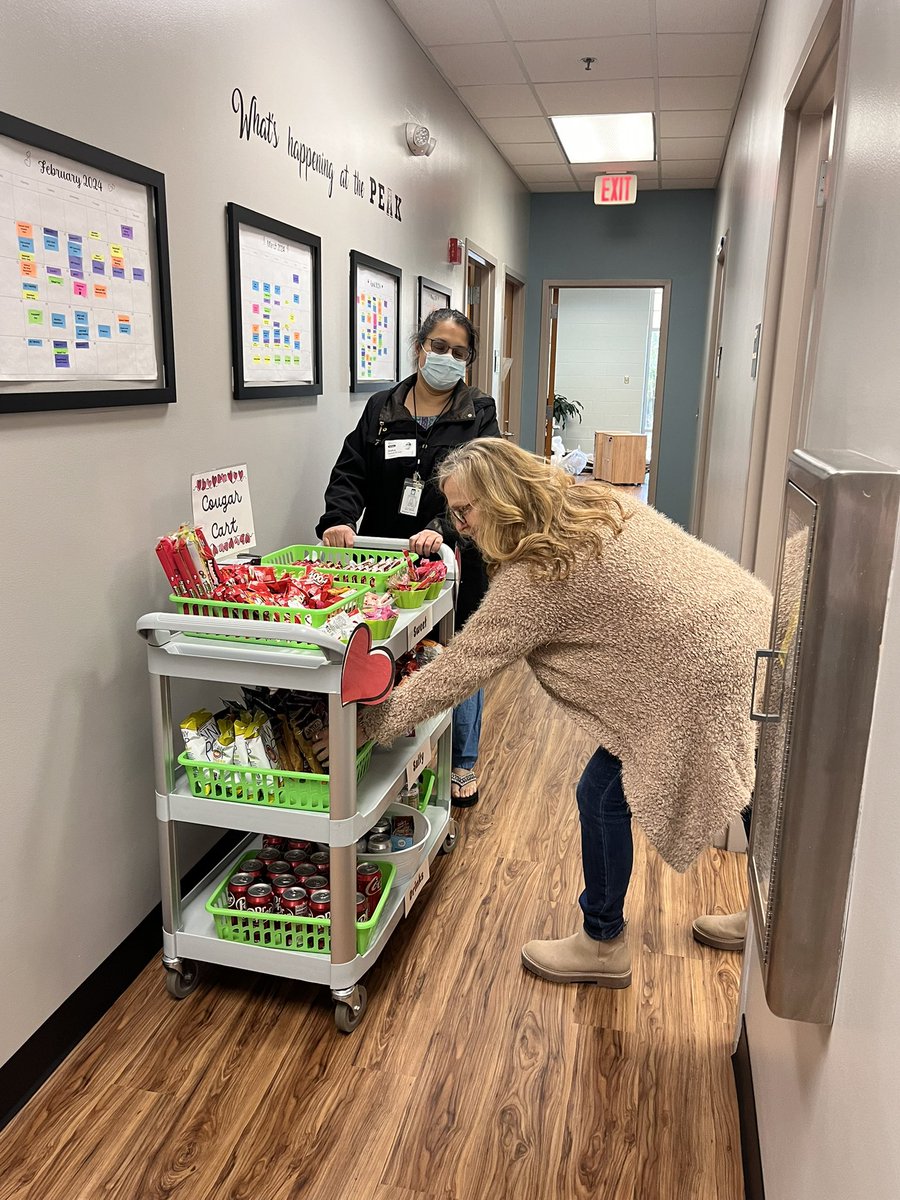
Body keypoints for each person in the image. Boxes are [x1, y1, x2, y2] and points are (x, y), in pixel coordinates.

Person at [359, 439, 772, 988]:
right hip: (747, 628)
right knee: (744, 773)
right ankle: (772, 919)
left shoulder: (536, 578)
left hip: (700, 669)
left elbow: (460, 669)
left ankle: (602, 944)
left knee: (600, 796)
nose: (459, 526)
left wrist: (363, 727)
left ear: (501, 497)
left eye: (465, 511)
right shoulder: (596, 502)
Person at [316, 308, 499, 806]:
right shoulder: (381, 408)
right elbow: (350, 471)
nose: (446, 358)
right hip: (384, 560)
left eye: (459, 352)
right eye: (438, 346)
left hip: (453, 554)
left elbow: (486, 484)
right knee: (395, 655)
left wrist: (439, 529)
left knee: (457, 658)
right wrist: (339, 518)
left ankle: (460, 760)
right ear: (419, 347)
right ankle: (401, 747)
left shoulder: (477, 411)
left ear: (469, 362)